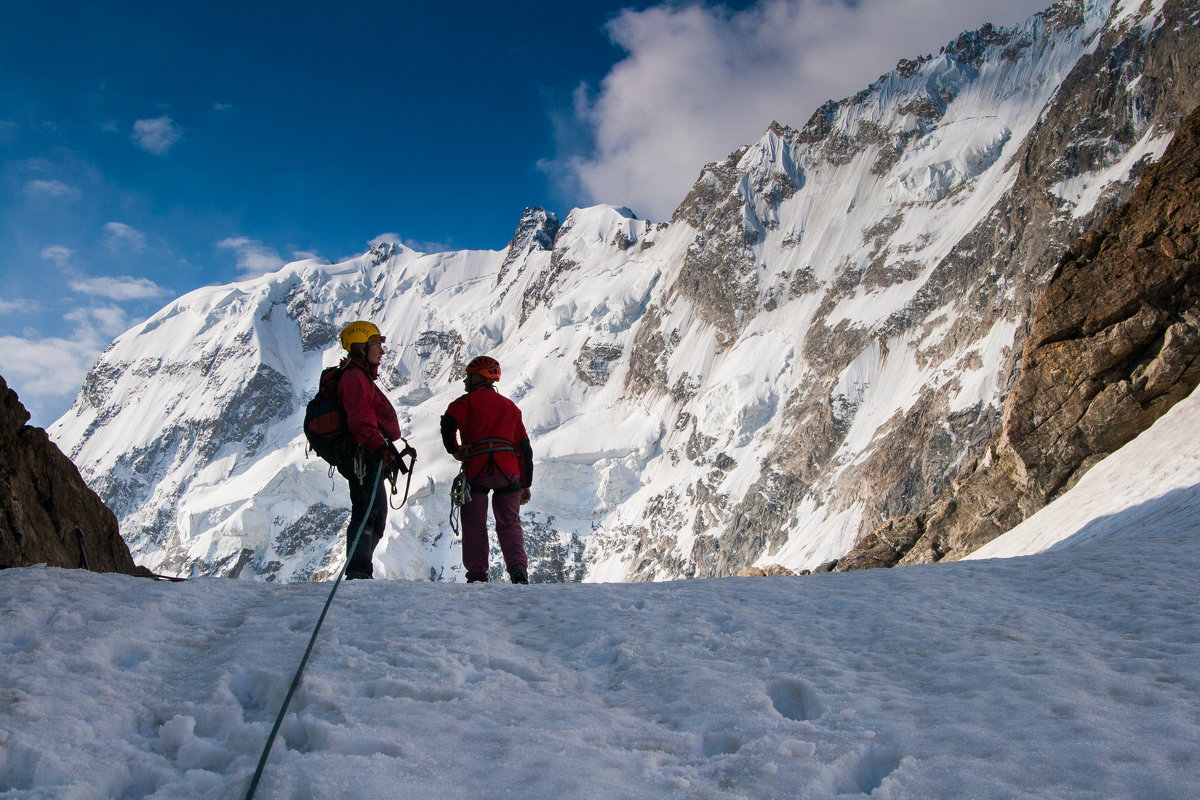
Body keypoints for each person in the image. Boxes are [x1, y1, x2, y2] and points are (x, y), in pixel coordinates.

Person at [441, 356, 533, 583]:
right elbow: (525, 449)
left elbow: (448, 425)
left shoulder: (465, 403)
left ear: (476, 378)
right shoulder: (510, 407)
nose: (464, 380)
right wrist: (526, 484)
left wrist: (455, 450)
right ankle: (518, 569)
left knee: (474, 524)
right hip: (509, 469)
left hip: (478, 468)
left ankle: (477, 576)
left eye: (468, 376)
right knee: (509, 522)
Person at [335, 321, 403, 579]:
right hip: (364, 456)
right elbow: (360, 419)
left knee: (374, 513)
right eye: (377, 345)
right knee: (367, 512)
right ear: (362, 347)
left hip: (368, 455)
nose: (381, 352)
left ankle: (360, 568)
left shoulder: (359, 377)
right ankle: (358, 570)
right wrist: (377, 447)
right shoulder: (355, 378)